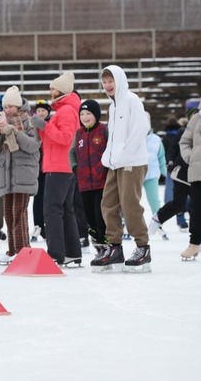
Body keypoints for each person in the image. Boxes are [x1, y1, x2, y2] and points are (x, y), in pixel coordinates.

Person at [91, 65, 152, 272]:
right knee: (108, 203)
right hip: (115, 163)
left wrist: (125, 154)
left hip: (132, 162)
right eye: (105, 82)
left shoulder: (132, 100)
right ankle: (115, 247)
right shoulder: (113, 106)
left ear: (120, 80)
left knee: (129, 204)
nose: (108, 85)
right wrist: (108, 157)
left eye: (111, 81)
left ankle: (142, 247)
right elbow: (114, 138)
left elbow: (141, 128)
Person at [29, 72, 82, 266]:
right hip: (61, 166)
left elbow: (66, 138)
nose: (50, 92)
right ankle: (72, 252)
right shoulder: (64, 110)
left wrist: (44, 125)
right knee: (66, 210)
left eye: (53, 88)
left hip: (59, 166)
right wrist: (41, 128)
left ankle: (55, 253)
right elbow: (52, 139)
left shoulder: (66, 110)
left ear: (62, 90)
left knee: (52, 210)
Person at [0, 86, 41, 265]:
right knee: (8, 215)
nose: (8, 110)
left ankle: (23, 250)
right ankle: (12, 250)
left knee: (19, 213)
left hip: (23, 173)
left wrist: (14, 131)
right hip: (6, 174)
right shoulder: (1, 122)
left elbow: (33, 146)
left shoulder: (30, 121)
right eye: (5, 106)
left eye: (11, 106)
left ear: (18, 105)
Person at [70, 99, 109, 256]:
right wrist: (75, 167)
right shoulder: (78, 133)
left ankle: (106, 247)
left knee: (101, 218)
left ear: (96, 115)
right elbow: (72, 152)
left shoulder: (104, 130)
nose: (85, 117)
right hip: (84, 183)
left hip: (103, 183)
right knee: (90, 219)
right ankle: (98, 247)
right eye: (82, 114)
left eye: (88, 114)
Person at [178, 84, 201, 260]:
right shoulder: (196, 119)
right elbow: (184, 142)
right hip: (198, 167)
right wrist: (191, 157)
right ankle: (194, 244)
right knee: (196, 207)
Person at [149, 110, 192, 239]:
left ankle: (200, 236)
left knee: (196, 202)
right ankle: (163, 218)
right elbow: (170, 151)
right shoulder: (181, 133)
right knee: (177, 200)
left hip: (192, 170)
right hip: (178, 170)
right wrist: (170, 165)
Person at [161, 117, 189, 230]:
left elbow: (166, 153)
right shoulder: (182, 134)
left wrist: (168, 164)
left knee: (173, 195)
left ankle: (178, 217)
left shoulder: (166, 138)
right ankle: (181, 218)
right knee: (184, 194)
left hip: (171, 168)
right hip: (182, 168)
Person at [31, 100, 51, 242]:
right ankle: (38, 225)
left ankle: (46, 226)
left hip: (50, 166)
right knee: (37, 197)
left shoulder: (51, 125)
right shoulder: (33, 126)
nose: (41, 113)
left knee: (48, 197)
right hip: (36, 167)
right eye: (38, 111)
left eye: (44, 110)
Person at [143, 118, 167, 220]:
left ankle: (158, 221)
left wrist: (163, 173)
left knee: (154, 200)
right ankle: (130, 224)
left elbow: (161, 157)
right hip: (134, 174)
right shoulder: (132, 138)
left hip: (151, 174)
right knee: (132, 201)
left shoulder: (156, 139)